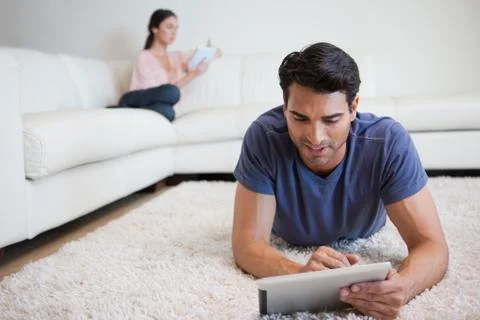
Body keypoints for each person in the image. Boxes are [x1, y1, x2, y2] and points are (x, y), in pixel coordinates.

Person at [231, 42, 449, 319]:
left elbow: (432, 245)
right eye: (299, 117)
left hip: (366, 230)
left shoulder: (388, 141)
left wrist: (404, 286)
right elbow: (247, 244)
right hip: (288, 237)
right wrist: (301, 274)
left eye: (331, 119)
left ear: (353, 107)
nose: (315, 137)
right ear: (284, 106)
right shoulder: (263, 136)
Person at [117, 9, 220, 121]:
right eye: (169, 27)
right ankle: (124, 110)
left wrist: (197, 60)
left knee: (168, 112)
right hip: (134, 100)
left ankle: (139, 115)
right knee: (171, 92)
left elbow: (217, 52)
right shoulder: (143, 57)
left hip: (155, 106)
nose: (174, 32)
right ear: (155, 29)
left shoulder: (177, 56)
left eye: (176, 28)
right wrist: (192, 75)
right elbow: (153, 93)